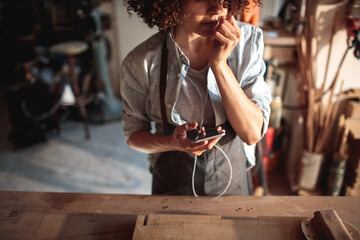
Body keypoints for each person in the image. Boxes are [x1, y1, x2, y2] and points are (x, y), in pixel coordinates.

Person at [120, 0, 271, 196]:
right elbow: (133, 137)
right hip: (171, 185)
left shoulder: (246, 43)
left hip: (232, 180)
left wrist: (219, 65)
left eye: (225, 0)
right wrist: (173, 143)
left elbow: (252, 134)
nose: (217, 9)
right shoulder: (142, 62)